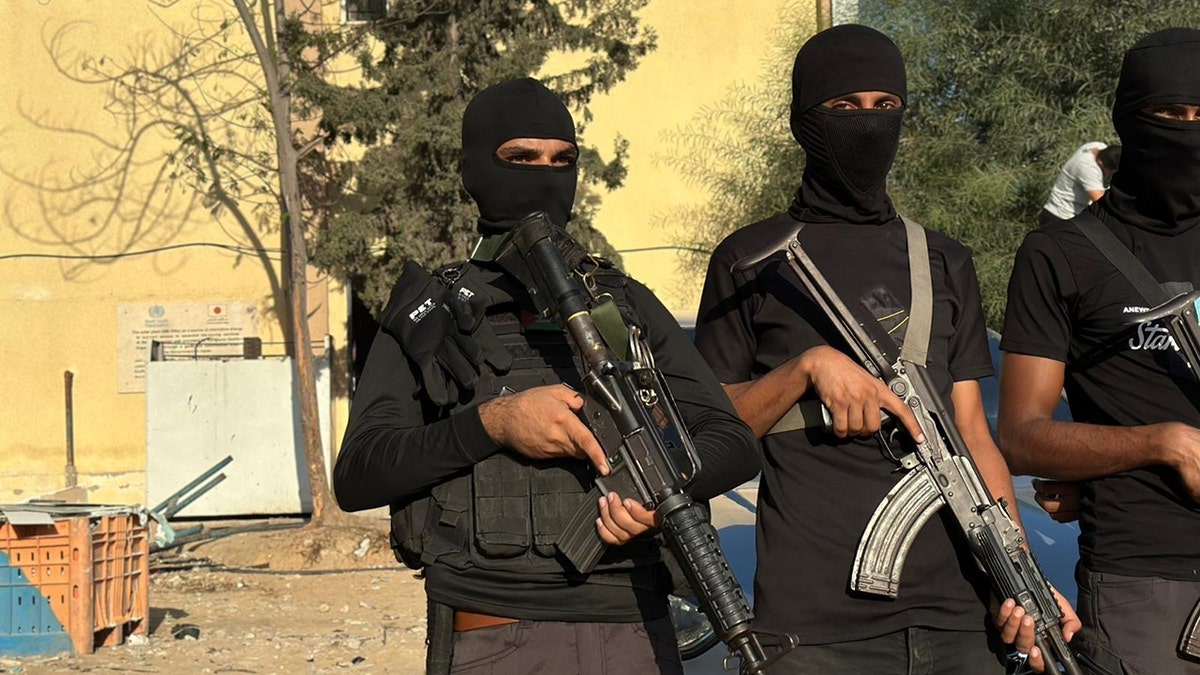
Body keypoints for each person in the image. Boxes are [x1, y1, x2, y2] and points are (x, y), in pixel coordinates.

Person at [332, 77, 760, 675]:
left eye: (562, 160)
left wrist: (651, 496)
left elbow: (733, 442)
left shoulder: (622, 303)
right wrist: (493, 424)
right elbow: (358, 476)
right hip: (493, 635)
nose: (544, 175)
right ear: (475, 170)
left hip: (634, 630)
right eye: (521, 159)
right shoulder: (432, 315)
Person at [694, 24, 1078, 674]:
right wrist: (804, 371)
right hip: (813, 630)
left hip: (957, 619)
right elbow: (704, 431)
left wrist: (1020, 576)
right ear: (804, 121)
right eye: (844, 107)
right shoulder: (750, 260)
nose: (868, 123)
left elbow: (971, 437)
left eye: (885, 106)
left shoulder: (943, 259)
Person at [1000, 27, 1200, 674]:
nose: (1189, 130)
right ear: (1126, 120)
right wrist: (1161, 443)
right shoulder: (1061, 254)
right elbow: (1021, 436)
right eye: (1171, 114)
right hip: (1142, 586)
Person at [1040, 142, 1122, 225]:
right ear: (1101, 163)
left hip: (1071, 217)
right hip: (1061, 216)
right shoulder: (1088, 169)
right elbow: (1100, 200)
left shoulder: (1098, 147)